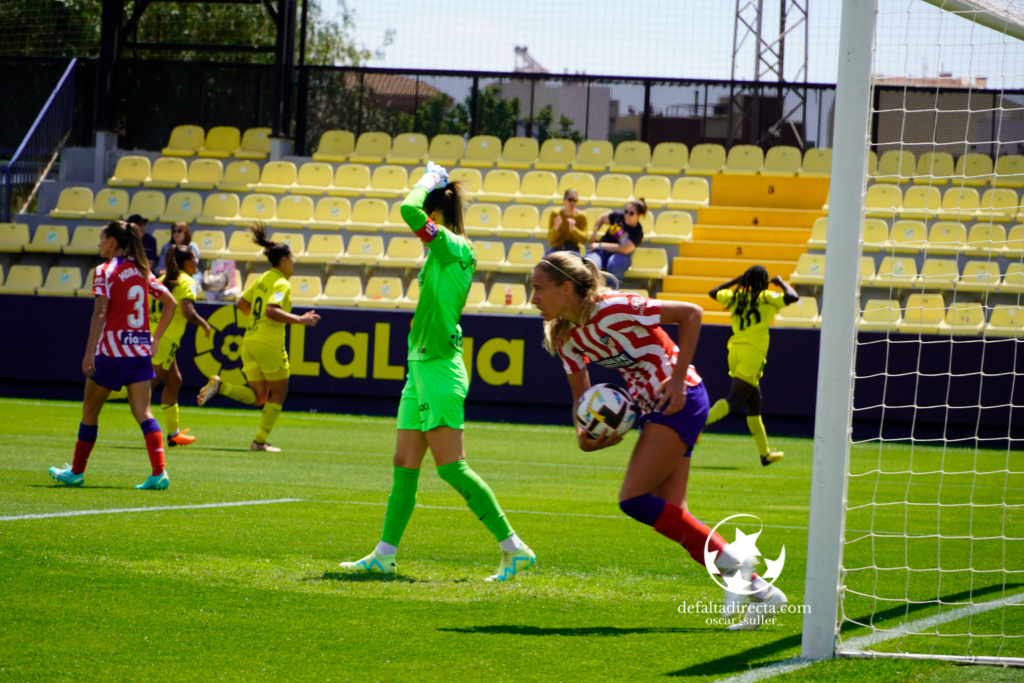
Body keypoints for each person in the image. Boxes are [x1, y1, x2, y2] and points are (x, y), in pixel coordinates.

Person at [529, 252, 787, 630]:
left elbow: (692, 314)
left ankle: (736, 563)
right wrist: (584, 436)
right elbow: (581, 401)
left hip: (681, 398)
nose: (532, 298)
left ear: (566, 288)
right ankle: (759, 591)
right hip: (655, 408)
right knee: (673, 512)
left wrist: (679, 376)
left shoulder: (616, 307)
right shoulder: (567, 338)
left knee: (633, 499)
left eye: (538, 288)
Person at [339, 162, 534, 582]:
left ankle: (513, 547)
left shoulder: (455, 247)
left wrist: (428, 180)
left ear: (435, 213)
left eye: (428, 212)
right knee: (404, 461)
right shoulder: (443, 251)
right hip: (421, 367)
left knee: (451, 466)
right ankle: (384, 555)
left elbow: (408, 211)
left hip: (440, 369)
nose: (422, 221)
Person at [48, 220, 179, 490]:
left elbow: (101, 312)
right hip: (140, 351)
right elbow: (171, 302)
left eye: (101, 237)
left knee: (90, 410)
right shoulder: (142, 271)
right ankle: (159, 472)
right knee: (143, 412)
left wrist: (89, 353)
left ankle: (76, 471)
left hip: (112, 352)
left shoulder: (103, 271)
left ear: (111, 242)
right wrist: (155, 339)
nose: (98, 243)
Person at [196, 225, 320, 451]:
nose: (294, 261)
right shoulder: (282, 283)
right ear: (283, 260)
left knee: (260, 397)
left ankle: (221, 386)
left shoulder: (262, 279)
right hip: (268, 344)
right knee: (278, 394)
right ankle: (259, 442)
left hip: (250, 341)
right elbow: (272, 310)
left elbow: (242, 304)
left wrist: (257, 320)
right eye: (291, 257)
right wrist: (300, 320)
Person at [108, 246, 212, 446]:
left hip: (153, 335)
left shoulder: (161, 279)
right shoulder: (187, 281)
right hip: (165, 339)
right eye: (194, 258)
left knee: (174, 381)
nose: (197, 261)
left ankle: (174, 434)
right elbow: (188, 311)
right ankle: (102, 392)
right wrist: (204, 324)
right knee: (144, 388)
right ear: (186, 262)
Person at [705, 266, 799, 467]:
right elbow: (793, 297)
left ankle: (765, 454)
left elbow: (713, 293)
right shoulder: (767, 297)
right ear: (764, 282)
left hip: (735, 351)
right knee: (736, 400)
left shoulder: (738, 296)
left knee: (754, 401)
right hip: (752, 353)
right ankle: (697, 424)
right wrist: (781, 282)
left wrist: (736, 280)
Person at [585, 199, 646, 283]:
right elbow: (601, 218)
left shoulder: (638, 232)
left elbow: (624, 249)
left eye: (631, 213)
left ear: (639, 215)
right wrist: (594, 234)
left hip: (620, 255)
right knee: (591, 263)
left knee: (615, 264)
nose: (627, 215)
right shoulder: (619, 216)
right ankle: (592, 292)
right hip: (601, 252)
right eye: (626, 211)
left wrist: (599, 245)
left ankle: (612, 292)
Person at [157, 221, 202, 288]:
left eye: (179, 231)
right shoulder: (166, 247)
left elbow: (193, 265)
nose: (176, 233)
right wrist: (162, 272)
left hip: (190, 276)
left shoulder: (192, 246)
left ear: (186, 232)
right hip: (170, 276)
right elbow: (161, 267)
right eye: (173, 231)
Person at [547, 189, 588, 254]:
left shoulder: (581, 216)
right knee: (544, 262)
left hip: (573, 249)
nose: (572, 202)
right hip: (556, 249)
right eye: (570, 199)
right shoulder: (555, 214)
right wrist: (556, 227)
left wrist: (573, 229)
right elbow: (550, 237)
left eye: (575, 200)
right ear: (564, 200)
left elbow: (584, 239)